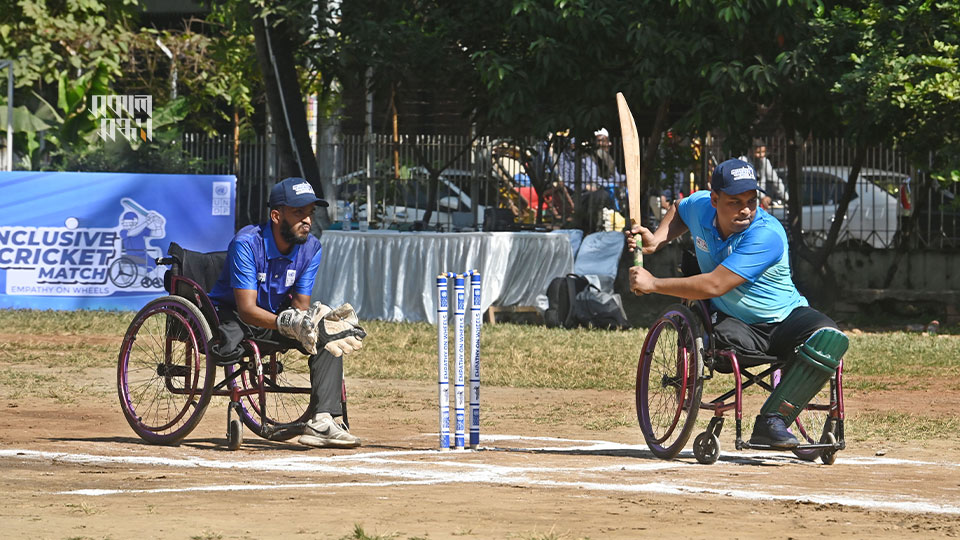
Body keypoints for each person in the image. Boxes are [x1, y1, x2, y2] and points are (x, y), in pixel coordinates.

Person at [625, 158, 849, 448]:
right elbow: (681, 209)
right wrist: (657, 240)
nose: (745, 209)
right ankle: (773, 423)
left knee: (829, 338)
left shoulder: (766, 234)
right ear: (715, 199)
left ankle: (772, 420)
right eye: (735, 202)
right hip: (735, 324)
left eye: (751, 201)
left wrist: (653, 284)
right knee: (722, 341)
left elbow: (715, 284)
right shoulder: (702, 206)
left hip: (785, 319)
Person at [208, 177, 366, 448]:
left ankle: (323, 421)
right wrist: (286, 322)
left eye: (310, 213)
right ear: (276, 215)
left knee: (327, 334)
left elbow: (301, 305)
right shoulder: (246, 243)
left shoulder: (312, 248)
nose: (307, 220)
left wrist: (312, 322)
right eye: (298, 212)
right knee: (279, 323)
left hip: (276, 318)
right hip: (235, 318)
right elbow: (246, 309)